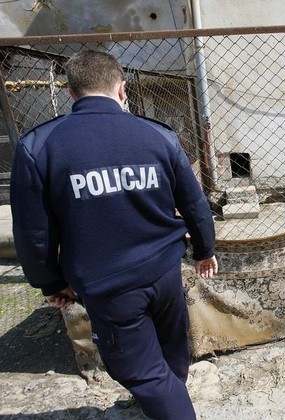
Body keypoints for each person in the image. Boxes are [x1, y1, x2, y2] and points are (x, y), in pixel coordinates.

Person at [10, 50, 218, 419]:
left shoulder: (39, 146)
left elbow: (33, 232)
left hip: (108, 285)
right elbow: (195, 203)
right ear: (122, 90)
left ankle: (170, 406)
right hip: (164, 272)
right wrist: (205, 249)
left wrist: (50, 282)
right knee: (170, 349)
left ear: (71, 94)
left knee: (139, 369)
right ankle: (167, 401)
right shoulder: (158, 135)